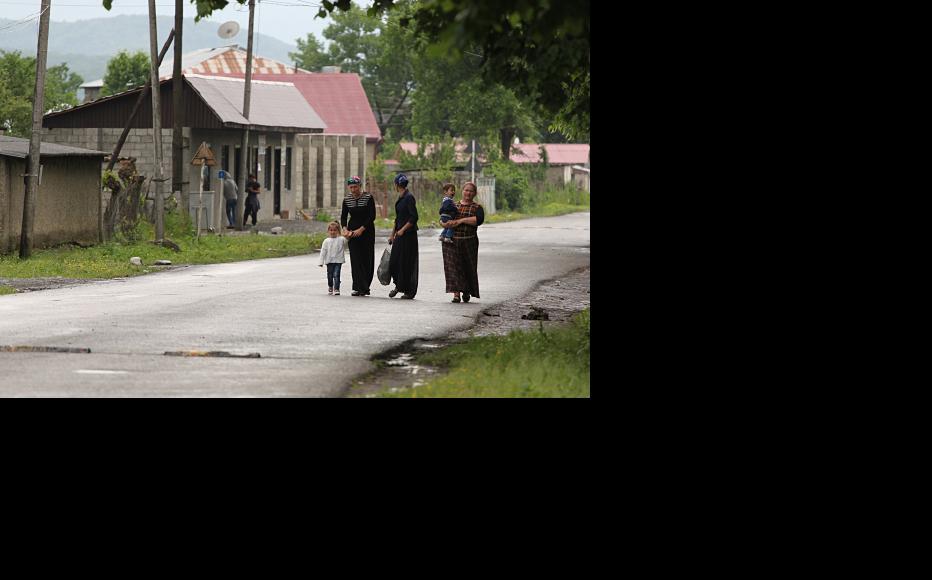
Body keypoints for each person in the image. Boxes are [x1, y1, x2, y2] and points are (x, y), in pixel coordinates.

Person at [442, 181, 485, 303]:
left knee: (468, 267)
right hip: (452, 242)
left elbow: (478, 220)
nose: (468, 193)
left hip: (469, 242)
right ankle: (456, 294)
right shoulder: (453, 205)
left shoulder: (477, 207)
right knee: (454, 267)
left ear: (474, 193)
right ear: (462, 191)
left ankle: (466, 291)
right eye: (466, 190)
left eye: (471, 191)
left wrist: (461, 221)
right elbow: (443, 217)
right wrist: (444, 223)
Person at [340, 176, 376, 296]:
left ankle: (365, 287)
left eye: (355, 187)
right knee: (355, 259)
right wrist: (344, 228)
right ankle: (357, 287)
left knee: (367, 258)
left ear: (360, 186)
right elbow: (343, 216)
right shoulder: (347, 199)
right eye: (351, 187)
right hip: (352, 232)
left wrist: (362, 229)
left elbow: (372, 216)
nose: (353, 189)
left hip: (367, 231)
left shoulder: (368, 197)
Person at [388, 173, 419, 299]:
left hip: (409, 236)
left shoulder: (409, 197)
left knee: (406, 262)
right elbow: (397, 218)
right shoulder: (401, 197)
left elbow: (414, 217)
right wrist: (392, 234)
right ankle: (398, 285)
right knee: (394, 262)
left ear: (396, 184)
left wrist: (403, 229)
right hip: (399, 235)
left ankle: (408, 290)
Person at [318, 221, 347, 295]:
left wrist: (346, 235)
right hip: (329, 261)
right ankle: (330, 286)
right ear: (328, 231)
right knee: (330, 275)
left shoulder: (341, 239)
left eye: (335, 230)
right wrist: (321, 262)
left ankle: (336, 288)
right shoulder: (326, 241)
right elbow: (323, 252)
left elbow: (346, 242)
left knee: (336, 274)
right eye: (331, 230)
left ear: (338, 231)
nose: (333, 232)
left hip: (338, 261)